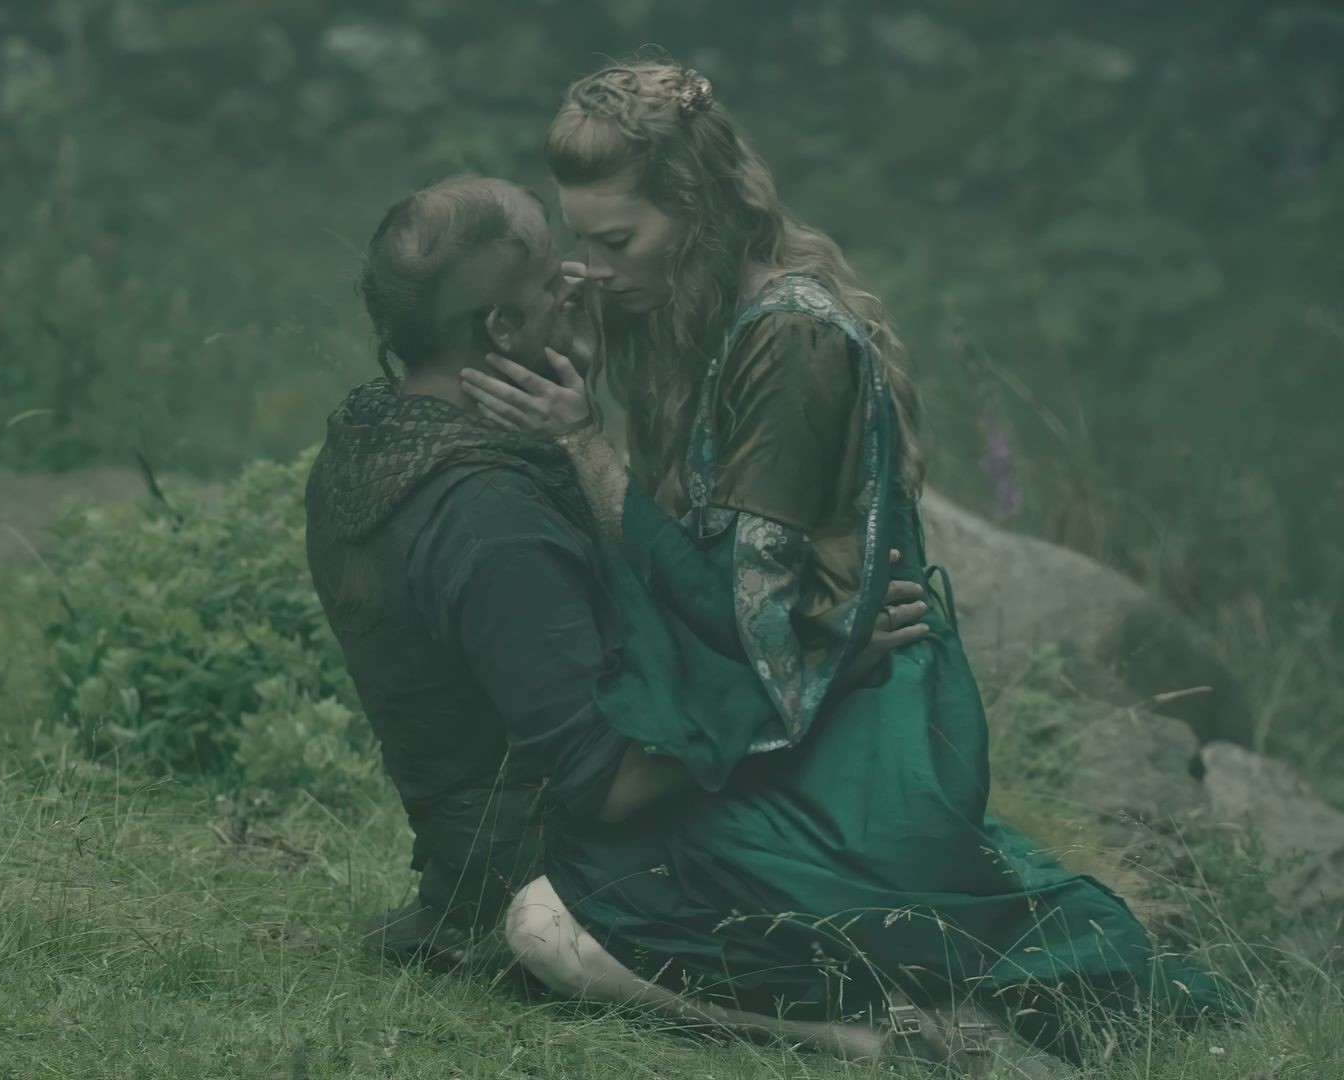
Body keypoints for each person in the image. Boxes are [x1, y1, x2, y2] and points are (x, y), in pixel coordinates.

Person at [454, 61, 1240, 1065]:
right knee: (580, 856)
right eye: (582, 241)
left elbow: (739, 617)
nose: (593, 269)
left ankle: (885, 1031)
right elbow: (731, 592)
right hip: (804, 692)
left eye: (617, 242)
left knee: (585, 899)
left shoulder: (789, 341)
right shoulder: (692, 315)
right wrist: (590, 364)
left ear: (697, 213)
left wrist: (585, 447)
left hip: (864, 725)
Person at [308, 175, 941, 1064]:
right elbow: (608, 783)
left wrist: (573, 399)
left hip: (488, 851)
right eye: (550, 280)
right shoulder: (488, 518)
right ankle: (862, 1038)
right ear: (499, 328)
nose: (580, 284)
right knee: (901, 878)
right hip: (562, 874)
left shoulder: (379, 437)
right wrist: (820, 672)